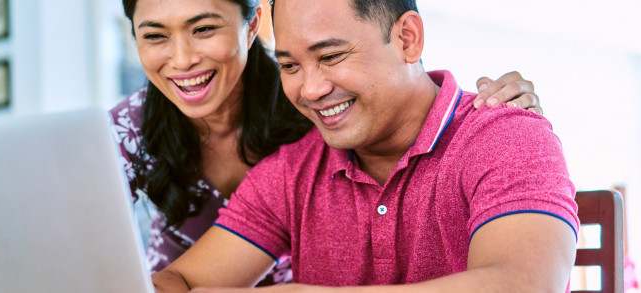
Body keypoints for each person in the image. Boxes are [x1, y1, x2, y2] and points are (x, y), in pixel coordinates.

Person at [111, 0, 549, 288]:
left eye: (331, 56)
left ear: (408, 39)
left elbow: (521, 284)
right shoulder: (293, 167)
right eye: (290, 65)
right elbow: (184, 283)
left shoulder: (505, 134)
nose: (311, 89)